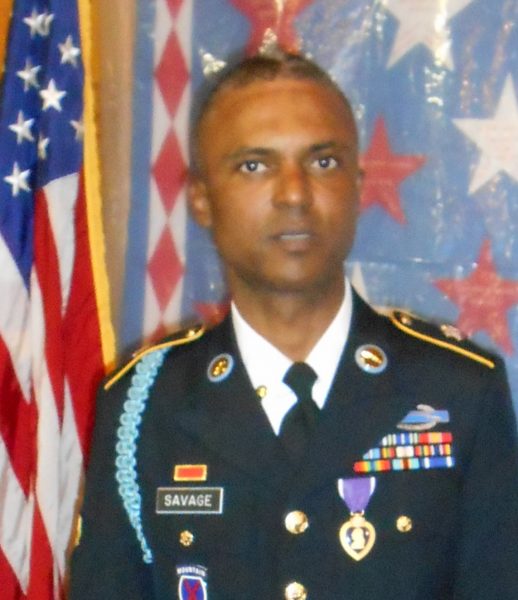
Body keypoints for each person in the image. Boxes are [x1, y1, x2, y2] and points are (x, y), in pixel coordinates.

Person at [69, 52, 518, 600]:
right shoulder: (144, 405)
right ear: (202, 199)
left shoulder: (459, 392)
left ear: (358, 186)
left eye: (323, 162)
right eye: (254, 166)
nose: (294, 194)